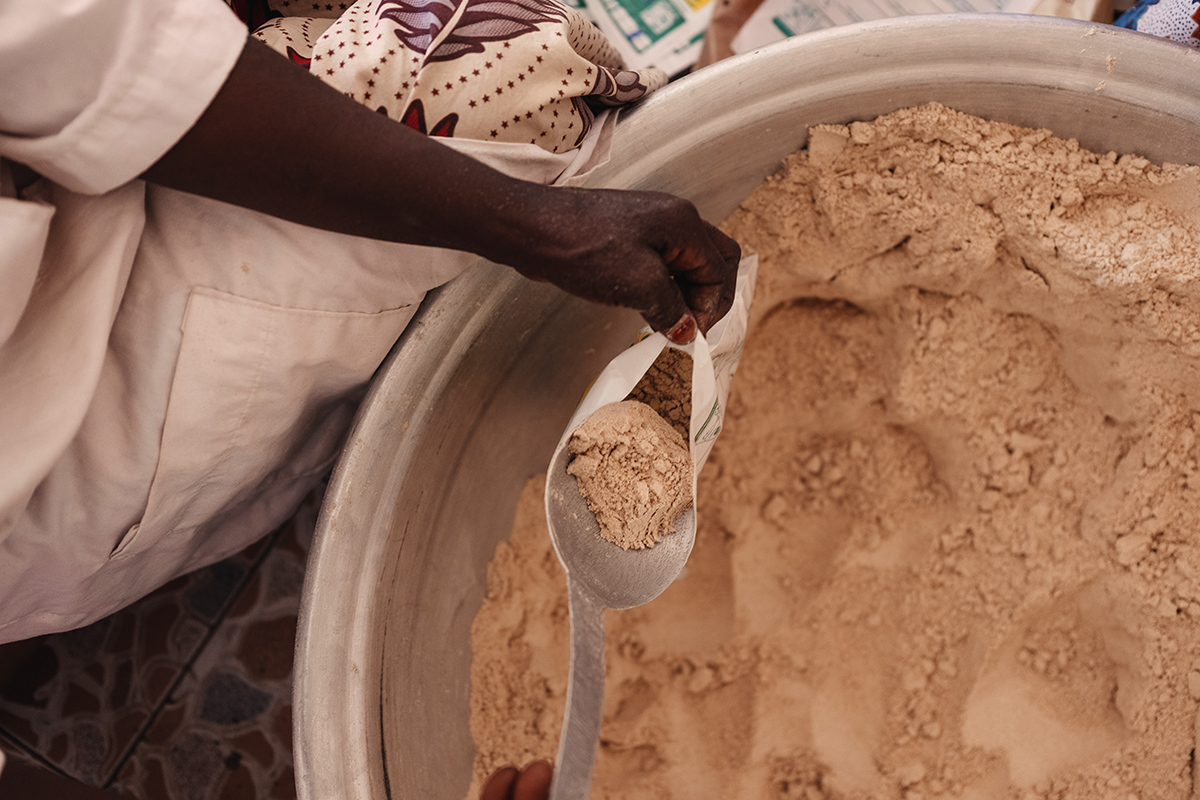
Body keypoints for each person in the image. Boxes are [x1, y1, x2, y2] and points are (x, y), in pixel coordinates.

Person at [0, 0, 737, 795]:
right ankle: (284, 443)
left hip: (59, 201)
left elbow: (79, 49)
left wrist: (536, 229)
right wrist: (531, 222)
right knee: (505, 67)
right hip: (56, 421)